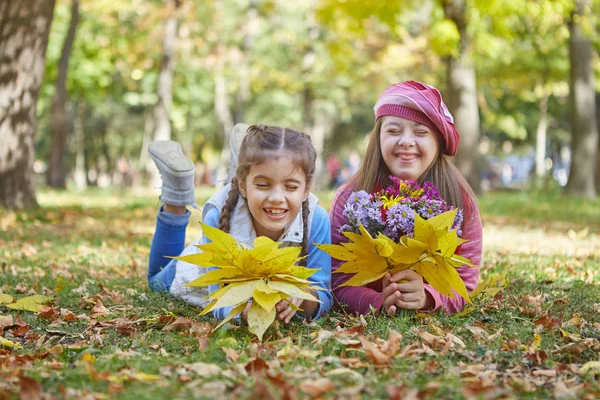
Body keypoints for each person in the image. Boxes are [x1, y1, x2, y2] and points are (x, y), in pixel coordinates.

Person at [147, 124, 332, 324]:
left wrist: (304, 297)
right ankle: (176, 192)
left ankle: (240, 167)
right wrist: (244, 312)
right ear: (243, 185)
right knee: (155, 280)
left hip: (242, 212)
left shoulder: (317, 219)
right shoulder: (217, 217)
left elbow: (323, 293)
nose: (277, 197)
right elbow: (217, 300)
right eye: (262, 185)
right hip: (203, 264)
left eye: (291, 187)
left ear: (306, 190)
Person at [329, 80, 483, 316]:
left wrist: (428, 298)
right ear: (378, 137)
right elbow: (338, 281)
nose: (406, 141)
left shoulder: (459, 200)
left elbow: (466, 285)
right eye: (394, 130)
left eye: (421, 132)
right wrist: (378, 302)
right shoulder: (350, 199)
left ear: (438, 141)